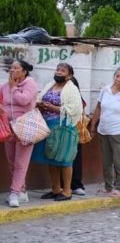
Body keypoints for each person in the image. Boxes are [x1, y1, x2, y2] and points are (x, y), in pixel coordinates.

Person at [33, 63, 83, 202]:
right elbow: (40, 98)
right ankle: (56, 188)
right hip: (48, 126)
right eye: (58, 69)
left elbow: (73, 109)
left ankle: (67, 191)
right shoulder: (50, 85)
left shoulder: (72, 89)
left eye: (63, 70)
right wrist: (40, 104)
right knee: (51, 157)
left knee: (65, 159)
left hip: (64, 128)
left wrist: (53, 107)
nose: (59, 72)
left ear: (69, 75)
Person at [90, 67, 120, 195]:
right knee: (107, 162)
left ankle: (119, 187)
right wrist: (93, 124)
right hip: (104, 131)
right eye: (117, 76)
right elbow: (98, 107)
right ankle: (108, 186)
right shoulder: (105, 90)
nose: (118, 79)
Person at [1, 60, 38, 207]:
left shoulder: (30, 83)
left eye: (16, 68)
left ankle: (14, 193)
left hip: (25, 126)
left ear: (24, 71)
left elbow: (24, 100)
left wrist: (14, 88)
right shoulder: (5, 86)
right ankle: (21, 191)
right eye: (11, 68)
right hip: (8, 128)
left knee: (20, 162)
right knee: (11, 160)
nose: (12, 71)